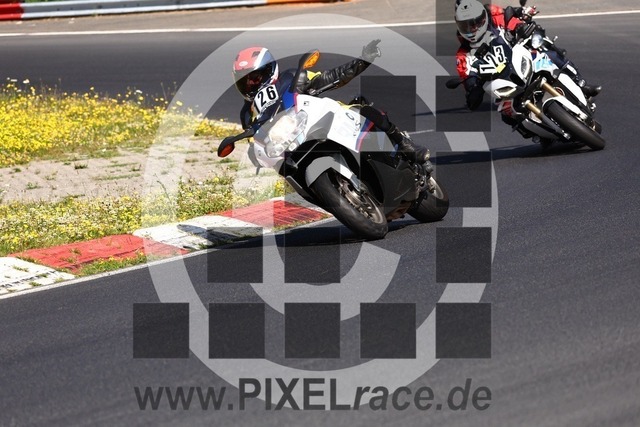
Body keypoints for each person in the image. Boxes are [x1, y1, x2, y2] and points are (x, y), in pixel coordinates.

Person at [231, 41, 430, 164]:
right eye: (244, 81)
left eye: (254, 78)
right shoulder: (247, 114)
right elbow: (255, 144)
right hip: (291, 146)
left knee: (362, 110)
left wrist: (362, 60)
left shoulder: (291, 76)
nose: (250, 84)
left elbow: (330, 77)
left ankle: (404, 144)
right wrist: (254, 155)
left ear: (269, 70)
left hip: (321, 121)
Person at [454, 0, 601, 112]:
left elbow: (512, 21)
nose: (473, 28)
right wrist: (474, 87)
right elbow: (468, 83)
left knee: (550, 54)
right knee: (507, 113)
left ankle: (581, 84)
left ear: (483, 17)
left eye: (476, 23)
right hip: (502, 82)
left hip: (517, 59)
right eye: (467, 25)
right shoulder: (463, 54)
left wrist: (521, 26)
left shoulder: (493, 18)